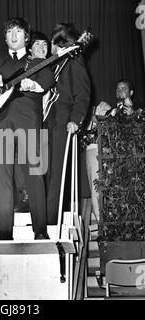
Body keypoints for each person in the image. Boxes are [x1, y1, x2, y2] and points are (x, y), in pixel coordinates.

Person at [0, 17, 54, 240]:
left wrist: (35, 85)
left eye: (18, 32)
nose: (13, 36)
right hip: (0, 121)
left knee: (34, 174)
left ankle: (40, 230)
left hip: (28, 120)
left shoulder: (36, 62)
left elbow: (48, 78)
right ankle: (3, 232)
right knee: (2, 176)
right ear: (5, 38)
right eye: (9, 32)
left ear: (26, 37)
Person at [46, 23, 91, 225]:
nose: (50, 46)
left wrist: (75, 119)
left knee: (57, 173)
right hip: (45, 122)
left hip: (63, 121)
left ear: (59, 42)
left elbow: (83, 92)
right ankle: (40, 213)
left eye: (53, 42)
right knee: (41, 171)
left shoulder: (74, 60)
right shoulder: (53, 64)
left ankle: (52, 221)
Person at [85, 79, 137, 219]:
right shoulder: (113, 110)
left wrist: (133, 115)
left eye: (123, 88)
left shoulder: (138, 110)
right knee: (104, 188)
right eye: (117, 89)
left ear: (131, 92)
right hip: (113, 155)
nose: (119, 91)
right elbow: (103, 120)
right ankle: (103, 222)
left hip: (130, 158)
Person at [14, 30, 50, 212]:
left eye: (45, 44)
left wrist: (35, 86)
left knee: (36, 167)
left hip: (41, 123)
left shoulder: (48, 65)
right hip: (21, 121)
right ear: (29, 48)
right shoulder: (22, 65)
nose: (43, 48)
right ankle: (24, 200)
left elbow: (46, 86)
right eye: (38, 44)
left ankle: (35, 206)